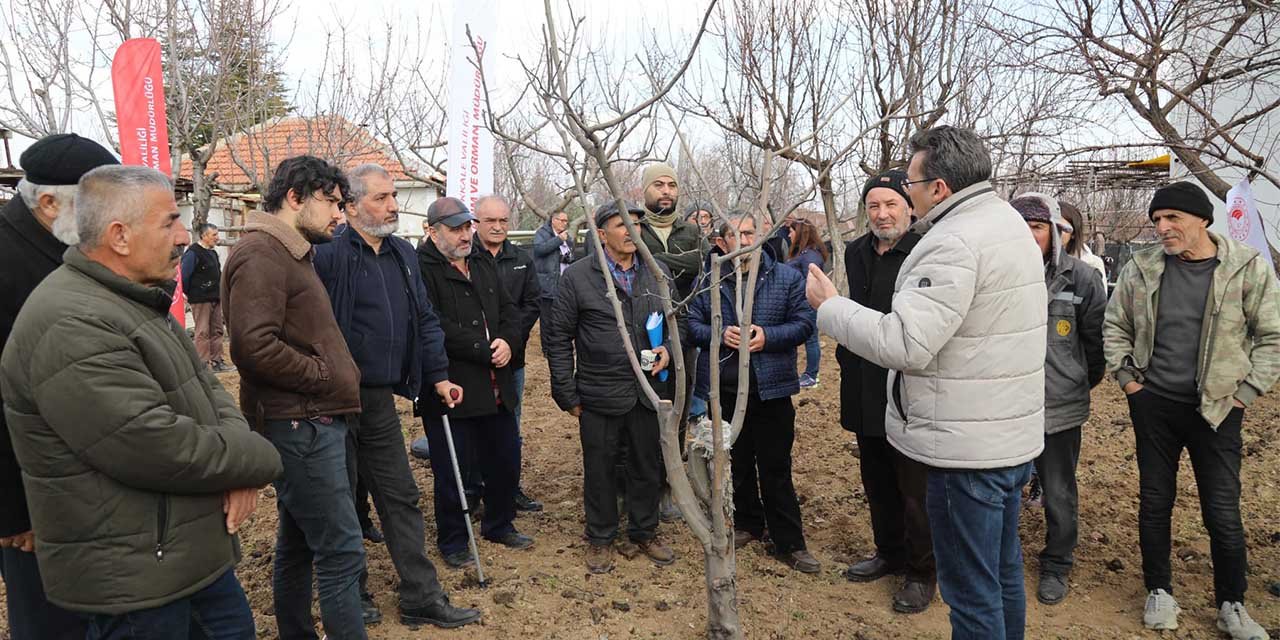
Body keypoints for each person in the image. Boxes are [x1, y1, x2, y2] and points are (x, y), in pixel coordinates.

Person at [0, 164, 283, 639]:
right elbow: (150, 443)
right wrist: (255, 460)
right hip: (137, 582)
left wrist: (236, 460)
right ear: (120, 237)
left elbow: (208, 389)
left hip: (181, 558)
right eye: (170, 221)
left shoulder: (129, 299)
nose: (182, 236)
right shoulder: (72, 321)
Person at [806, 126, 1047, 639]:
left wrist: (830, 309)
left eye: (911, 183)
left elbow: (906, 343)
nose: (905, 193)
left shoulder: (954, 241)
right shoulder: (1003, 221)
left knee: (971, 592)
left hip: (966, 451)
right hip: (1004, 438)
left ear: (938, 188)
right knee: (1002, 576)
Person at [1104, 181, 1280, 639]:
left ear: (1202, 219)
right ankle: (1159, 591)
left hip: (1219, 408)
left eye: (1172, 218)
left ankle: (1232, 603)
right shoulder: (1142, 267)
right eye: (1157, 220)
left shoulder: (1245, 267)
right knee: (1155, 502)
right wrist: (1129, 382)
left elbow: (1272, 337)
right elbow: (1115, 324)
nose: (1162, 228)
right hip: (1154, 405)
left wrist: (1246, 392)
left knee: (1222, 510)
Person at [313, 164, 481, 629]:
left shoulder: (403, 253)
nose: (392, 206)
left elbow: (424, 319)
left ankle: (421, 596)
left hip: (382, 400)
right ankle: (355, 593)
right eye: (382, 198)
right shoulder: (326, 255)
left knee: (401, 496)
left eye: (392, 197)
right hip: (333, 401)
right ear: (350, 206)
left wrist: (438, 375)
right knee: (342, 500)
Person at [223, 155, 370, 639]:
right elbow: (253, 346)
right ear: (294, 197)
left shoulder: (288, 252)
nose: (339, 215)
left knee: (301, 545)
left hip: (308, 421)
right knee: (342, 550)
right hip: (301, 425)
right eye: (332, 202)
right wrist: (325, 374)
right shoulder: (262, 253)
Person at [0, 133, 115, 640]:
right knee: (48, 622)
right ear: (48, 202)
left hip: (82, 487)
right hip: (27, 503)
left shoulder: (65, 246)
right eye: (96, 205)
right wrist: (12, 511)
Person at [544, 200, 679, 574]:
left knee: (646, 466)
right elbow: (558, 337)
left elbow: (676, 323)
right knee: (600, 468)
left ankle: (644, 531)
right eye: (623, 224)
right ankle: (601, 537)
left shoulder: (657, 271)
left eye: (637, 224)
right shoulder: (578, 277)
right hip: (599, 392)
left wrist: (668, 350)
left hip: (648, 392)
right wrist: (566, 393)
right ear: (602, 234)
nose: (631, 231)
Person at [690, 212, 819, 574]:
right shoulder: (710, 279)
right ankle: (748, 523)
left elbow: (804, 323)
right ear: (720, 242)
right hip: (725, 388)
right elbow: (692, 324)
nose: (744, 241)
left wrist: (768, 336)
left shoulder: (786, 278)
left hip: (772, 387)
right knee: (738, 463)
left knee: (775, 466)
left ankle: (789, 541)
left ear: (761, 237)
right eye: (735, 234)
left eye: (750, 233)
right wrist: (718, 334)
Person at [417, 197, 534, 569]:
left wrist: (509, 342)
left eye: (468, 226)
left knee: (504, 459)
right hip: (453, 384)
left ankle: (499, 524)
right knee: (453, 469)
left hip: (498, 382)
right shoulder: (422, 268)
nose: (466, 234)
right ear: (432, 231)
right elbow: (430, 324)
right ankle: (452, 539)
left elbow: (509, 311)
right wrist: (483, 348)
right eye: (456, 228)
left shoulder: (482, 261)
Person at [838, 169, 935, 614]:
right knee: (875, 478)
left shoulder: (925, 251)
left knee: (913, 488)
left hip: (907, 385)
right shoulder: (855, 251)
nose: (882, 213)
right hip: (862, 381)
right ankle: (888, 552)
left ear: (909, 206)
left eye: (891, 204)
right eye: (873, 205)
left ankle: (921, 571)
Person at [1010, 192, 1106, 607]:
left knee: (1058, 488)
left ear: (1053, 231)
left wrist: (1071, 384)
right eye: (1020, 226)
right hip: (1004, 404)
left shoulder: (1082, 279)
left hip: (1058, 406)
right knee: (1003, 486)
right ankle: (1001, 559)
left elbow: (1096, 348)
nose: (1028, 235)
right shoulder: (998, 273)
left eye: (1036, 226)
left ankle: (1057, 562)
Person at [472, 195, 543, 513]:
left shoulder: (521, 259)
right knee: (474, 428)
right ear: (476, 223)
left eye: (503, 221)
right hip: (472, 362)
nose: (498, 227)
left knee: (510, 426)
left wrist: (508, 341)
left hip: (512, 360)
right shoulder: (464, 256)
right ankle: (473, 491)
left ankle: (509, 488)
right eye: (491, 221)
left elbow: (531, 304)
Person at [182, 222, 234, 373]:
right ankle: (203, 365)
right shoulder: (192, 253)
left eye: (217, 234)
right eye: (214, 235)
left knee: (217, 330)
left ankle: (218, 361)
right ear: (204, 236)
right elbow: (184, 275)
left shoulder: (212, 253)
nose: (217, 238)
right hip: (200, 299)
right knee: (203, 331)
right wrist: (186, 294)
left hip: (215, 297)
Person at [784, 219, 828, 388]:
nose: (789, 235)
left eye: (792, 231)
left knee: (811, 340)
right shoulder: (801, 253)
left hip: (808, 304)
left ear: (800, 232)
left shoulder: (811, 256)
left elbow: (813, 281)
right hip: (797, 304)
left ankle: (811, 375)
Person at [533, 210, 574, 323]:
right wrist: (558, 240)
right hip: (548, 285)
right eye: (562, 220)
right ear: (553, 220)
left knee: (560, 320)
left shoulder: (567, 236)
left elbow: (570, 254)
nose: (564, 223)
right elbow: (539, 250)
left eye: (566, 221)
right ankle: (547, 341)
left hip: (563, 283)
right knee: (547, 321)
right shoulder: (542, 233)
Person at [1057, 201, 1107, 287]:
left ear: (1073, 233)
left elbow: (1099, 299)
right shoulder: (1035, 260)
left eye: (1062, 228)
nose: (1055, 232)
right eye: (1051, 226)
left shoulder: (1092, 265)